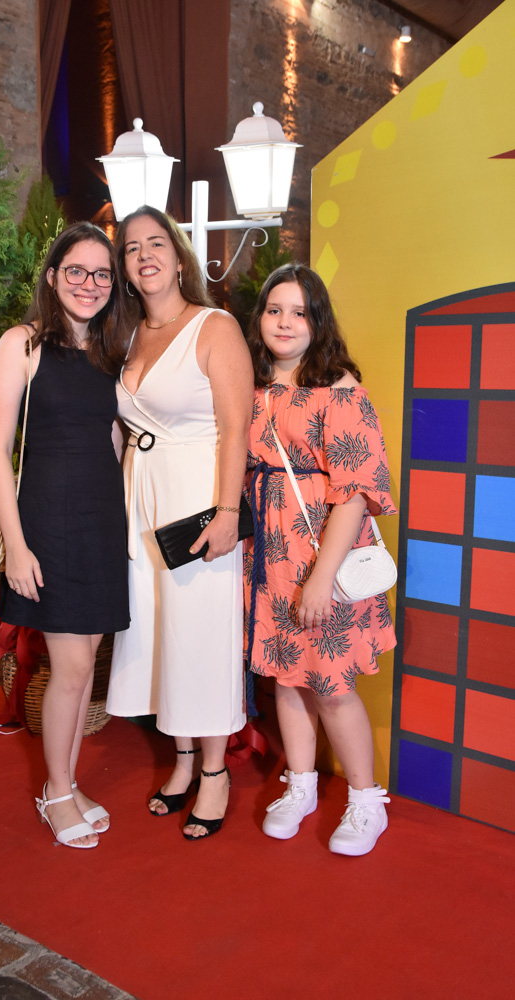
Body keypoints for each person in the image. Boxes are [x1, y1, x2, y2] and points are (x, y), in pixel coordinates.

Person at [105, 206, 254, 840]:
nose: (145, 255)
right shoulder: (125, 333)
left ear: (178, 254)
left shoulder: (214, 327)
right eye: (132, 247)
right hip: (142, 499)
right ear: (123, 265)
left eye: (156, 243)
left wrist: (227, 513)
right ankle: (184, 758)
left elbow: (237, 428)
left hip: (197, 499)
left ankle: (215, 773)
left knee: (202, 634)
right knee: (160, 633)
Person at [0, 222, 129, 850]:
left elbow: (116, 443)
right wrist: (17, 545)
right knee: (70, 668)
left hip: (101, 523)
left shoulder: (109, 352)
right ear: (52, 276)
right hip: (50, 524)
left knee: (85, 665)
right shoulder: (21, 343)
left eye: (101, 274)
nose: (89, 284)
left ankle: (65, 785)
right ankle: (57, 792)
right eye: (76, 271)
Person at [243, 263, 397, 856]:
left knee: (331, 685)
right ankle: (301, 785)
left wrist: (322, 579)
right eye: (274, 310)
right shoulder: (252, 385)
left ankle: (366, 801)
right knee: (285, 677)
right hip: (270, 556)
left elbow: (355, 494)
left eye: (300, 312)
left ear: (319, 321)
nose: (285, 322)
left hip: (321, 555)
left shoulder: (341, 390)